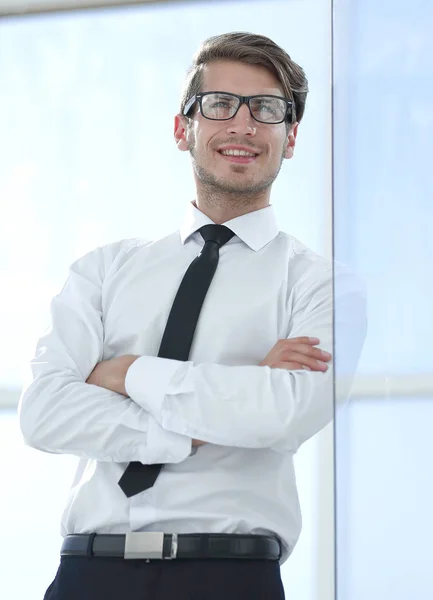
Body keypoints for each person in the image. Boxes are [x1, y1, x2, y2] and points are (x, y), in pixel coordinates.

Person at [18, 31, 366, 600]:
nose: (244, 125)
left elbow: (283, 415)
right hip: (88, 573)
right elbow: (46, 414)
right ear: (184, 129)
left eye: (268, 110)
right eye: (220, 104)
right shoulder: (103, 271)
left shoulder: (324, 285)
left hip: (230, 577)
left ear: (292, 136)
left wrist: (127, 372)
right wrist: (231, 399)